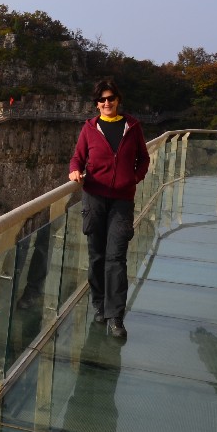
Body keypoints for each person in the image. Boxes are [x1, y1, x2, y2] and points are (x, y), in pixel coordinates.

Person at [68, 79, 149, 339]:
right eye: (101, 100)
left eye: (110, 98)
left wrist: (133, 178)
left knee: (116, 257)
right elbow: (78, 157)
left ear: (118, 100)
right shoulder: (90, 128)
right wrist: (74, 171)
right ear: (96, 104)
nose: (106, 103)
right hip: (94, 198)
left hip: (122, 200)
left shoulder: (132, 126)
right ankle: (99, 305)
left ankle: (116, 316)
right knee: (96, 256)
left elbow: (143, 158)